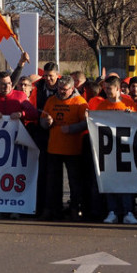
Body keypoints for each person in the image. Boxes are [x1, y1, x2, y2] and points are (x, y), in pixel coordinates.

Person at [40, 75, 89, 221]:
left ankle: (74, 209)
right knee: (52, 183)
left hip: (73, 150)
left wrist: (72, 128)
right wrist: (46, 122)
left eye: (65, 90)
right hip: (53, 148)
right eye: (59, 89)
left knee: (74, 182)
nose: (61, 92)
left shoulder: (80, 103)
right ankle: (52, 209)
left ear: (72, 89)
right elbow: (42, 121)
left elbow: (87, 123)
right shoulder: (51, 100)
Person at [91, 76, 137, 225]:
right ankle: (112, 211)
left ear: (117, 89)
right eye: (105, 88)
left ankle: (128, 212)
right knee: (110, 180)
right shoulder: (102, 105)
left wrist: (131, 116)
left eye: (109, 88)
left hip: (125, 149)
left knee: (125, 181)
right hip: (108, 150)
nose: (106, 90)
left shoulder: (128, 104)